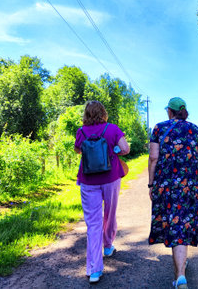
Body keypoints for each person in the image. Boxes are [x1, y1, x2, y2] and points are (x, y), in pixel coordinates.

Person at [148, 97, 198, 289]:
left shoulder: (158, 128)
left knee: (175, 223)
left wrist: (151, 184)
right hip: (191, 184)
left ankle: (180, 276)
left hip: (166, 185)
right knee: (184, 222)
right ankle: (181, 270)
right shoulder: (195, 129)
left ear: (169, 111)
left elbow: (153, 157)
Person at [74, 100, 130, 283]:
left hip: (88, 181)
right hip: (111, 178)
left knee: (93, 224)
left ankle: (94, 270)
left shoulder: (81, 132)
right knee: (110, 214)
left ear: (86, 115)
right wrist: (113, 150)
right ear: (103, 113)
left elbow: (77, 150)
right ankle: (108, 246)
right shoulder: (112, 129)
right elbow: (125, 149)